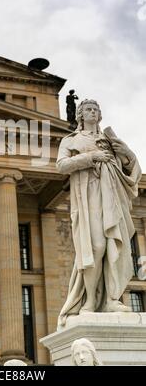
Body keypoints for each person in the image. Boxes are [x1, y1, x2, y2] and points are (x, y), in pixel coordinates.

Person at [57, 99, 141, 327]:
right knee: (96, 245)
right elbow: (61, 165)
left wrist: (127, 154)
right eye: (88, 110)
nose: (93, 112)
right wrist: (92, 157)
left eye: (96, 110)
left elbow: (131, 167)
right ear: (80, 115)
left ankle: (112, 299)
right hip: (88, 196)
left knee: (113, 245)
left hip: (112, 195)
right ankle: (90, 300)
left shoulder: (109, 140)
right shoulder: (71, 140)